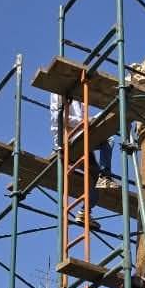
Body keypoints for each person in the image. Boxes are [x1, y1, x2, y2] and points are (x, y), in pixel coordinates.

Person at [50, 95, 113, 224]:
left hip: (79, 135)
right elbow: (58, 117)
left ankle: (85, 212)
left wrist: (87, 121)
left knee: (95, 175)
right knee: (108, 139)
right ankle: (105, 175)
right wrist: (84, 121)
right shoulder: (59, 92)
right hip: (68, 137)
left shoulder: (80, 95)